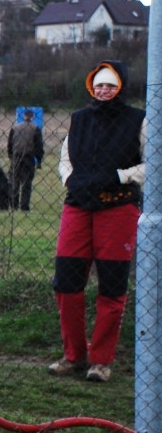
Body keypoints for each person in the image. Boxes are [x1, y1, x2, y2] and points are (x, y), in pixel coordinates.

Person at [48, 61, 144, 383]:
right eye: (99, 85)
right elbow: (65, 158)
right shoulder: (79, 119)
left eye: (110, 85)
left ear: (121, 87)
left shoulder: (138, 121)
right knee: (66, 282)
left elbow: (153, 163)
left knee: (112, 287)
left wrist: (120, 176)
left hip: (118, 211)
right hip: (78, 207)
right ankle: (74, 355)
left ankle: (101, 361)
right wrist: (69, 180)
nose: (104, 91)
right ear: (92, 87)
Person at [7, 108, 45, 211]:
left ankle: (13, 206)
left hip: (16, 157)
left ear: (24, 116)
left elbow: (9, 144)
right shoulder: (35, 128)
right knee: (26, 183)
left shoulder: (15, 128)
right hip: (28, 158)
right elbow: (39, 146)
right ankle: (24, 206)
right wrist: (39, 160)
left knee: (14, 181)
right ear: (32, 117)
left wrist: (11, 156)